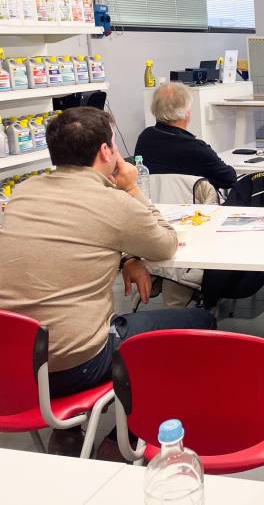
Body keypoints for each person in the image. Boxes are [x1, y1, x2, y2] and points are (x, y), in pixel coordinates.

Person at [0, 107, 217, 452]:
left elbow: (75, 241)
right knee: (200, 322)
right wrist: (131, 188)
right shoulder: (112, 200)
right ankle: (125, 438)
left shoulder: (23, 193)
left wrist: (129, 256)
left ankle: (69, 434)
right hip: (74, 364)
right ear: (105, 151)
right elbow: (164, 243)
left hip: (11, 364)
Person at [135, 82, 237, 190]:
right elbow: (229, 179)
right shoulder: (196, 148)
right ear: (186, 112)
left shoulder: (145, 138)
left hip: (153, 204)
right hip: (194, 205)